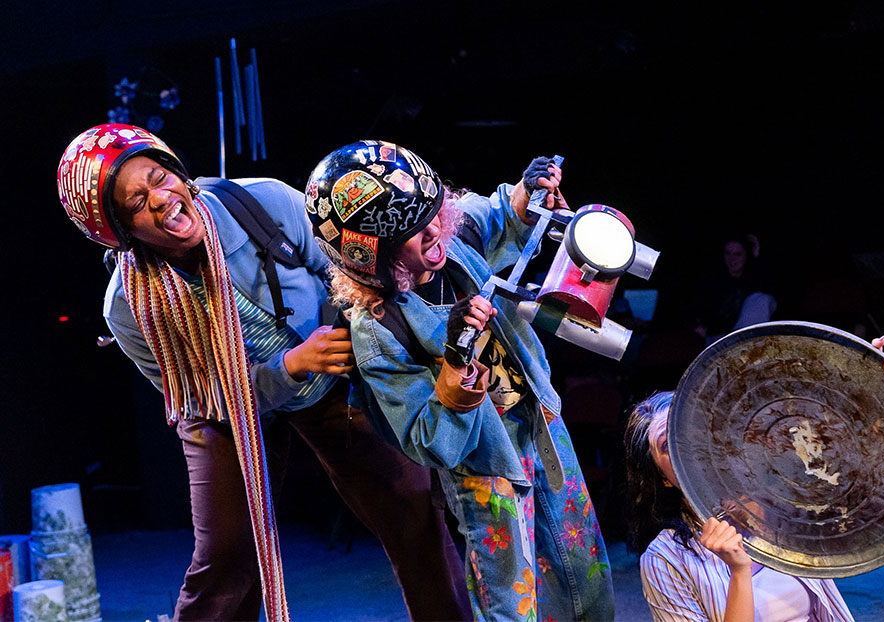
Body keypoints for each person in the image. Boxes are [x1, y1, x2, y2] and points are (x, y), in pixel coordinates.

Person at [56, 124, 468, 621]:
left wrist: (351, 345)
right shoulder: (129, 306)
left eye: (160, 177)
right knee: (227, 556)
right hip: (226, 409)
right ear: (119, 231)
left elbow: (349, 271)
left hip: (334, 371)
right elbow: (195, 399)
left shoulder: (261, 205)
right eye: (138, 201)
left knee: (412, 512)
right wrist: (288, 369)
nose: (161, 199)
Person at [305, 141, 614, 620]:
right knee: (512, 604)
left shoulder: (452, 239)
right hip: (488, 470)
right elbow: (429, 442)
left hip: (541, 425)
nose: (433, 231)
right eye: (411, 230)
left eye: (432, 214)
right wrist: (454, 362)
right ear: (372, 255)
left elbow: (493, 215)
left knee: (585, 574)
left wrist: (523, 194)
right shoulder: (379, 329)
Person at [624, 339, 884, 622]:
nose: (685, 446)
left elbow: (854, 440)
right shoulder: (665, 560)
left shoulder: (785, 498)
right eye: (667, 445)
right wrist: (739, 571)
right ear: (661, 478)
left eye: (687, 430)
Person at [694, 236, 776, 345]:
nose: (732, 259)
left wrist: (756, 257)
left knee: (761, 298)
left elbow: (770, 294)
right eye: (728, 254)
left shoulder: (753, 279)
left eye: (738, 254)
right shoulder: (713, 280)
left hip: (748, 340)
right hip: (721, 340)